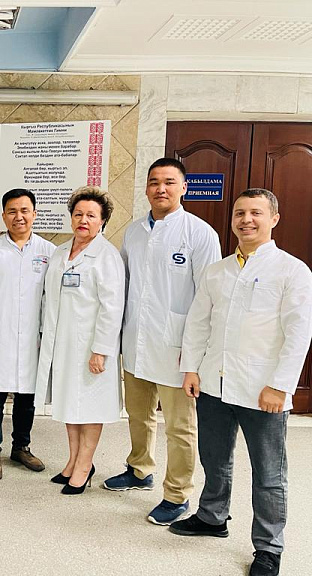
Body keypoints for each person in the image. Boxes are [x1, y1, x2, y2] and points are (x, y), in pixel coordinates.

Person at [170, 189, 312, 576]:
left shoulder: (292, 270)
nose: (246, 220)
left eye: (255, 213)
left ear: (274, 219)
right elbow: (198, 323)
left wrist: (281, 385)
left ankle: (268, 547)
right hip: (214, 384)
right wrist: (192, 368)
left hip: (262, 390)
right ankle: (212, 517)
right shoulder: (217, 271)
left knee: (269, 474)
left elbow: (299, 334)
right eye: (239, 213)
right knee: (214, 459)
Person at [103, 158, 221, 525]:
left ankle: (177, 494)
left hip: (178, 348)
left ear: (183, 187)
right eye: (154, 182)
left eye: (169, 182)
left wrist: (197, 356)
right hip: (136, 341)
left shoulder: (200, 234)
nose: (161, 188)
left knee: (179, 426)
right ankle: (140, 469)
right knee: (139, 415)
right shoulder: (135, 232)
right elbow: (124, 285)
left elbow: (209, 297)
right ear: (146, 188)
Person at [35, 187, 124, 494]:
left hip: (90, 347)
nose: (83, 220)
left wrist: (101, 350)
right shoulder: (60, 252)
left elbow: (112, 308)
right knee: (69, 404)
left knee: (90, 406)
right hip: (63, 344)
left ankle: (85, 465)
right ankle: (73, 460)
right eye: (78, 214)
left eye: (91, 216)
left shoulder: (107, 256)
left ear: (103, 221)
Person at [0, 188, 55, 480]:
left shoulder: (48, 252)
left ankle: (21, 447)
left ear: (34, 214)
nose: (19, 217)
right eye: (12, 211)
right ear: (4, 216)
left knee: (26, 399)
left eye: (24, 211)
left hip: (33, 340)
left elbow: (52, 300)